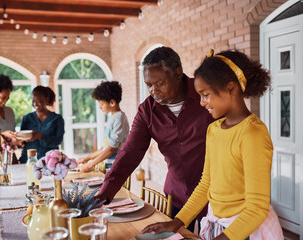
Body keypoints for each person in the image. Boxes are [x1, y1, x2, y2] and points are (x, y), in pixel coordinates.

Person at [142, 50, 284, 240]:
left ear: (231, 88)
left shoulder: (252, 134)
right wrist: (176, 222)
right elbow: (206, 184)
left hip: (245, 232)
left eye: (206, 95)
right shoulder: (214, 129)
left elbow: (257, 209)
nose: (201, 103)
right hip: (219, 226)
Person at [96, 46, 214, 232]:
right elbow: (130, 153)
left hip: (215, 196)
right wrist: (104, 194)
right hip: (176, 196)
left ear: (177, 73)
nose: (153, 90)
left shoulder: (206, 96)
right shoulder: (147, 111)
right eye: (148, 84)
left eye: (159, 83)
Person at [76, 81, 130, 173]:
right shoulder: (113, 117)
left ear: (112, 102)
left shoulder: (119, 118)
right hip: (109, 166)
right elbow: (106, 147)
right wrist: (87, 158)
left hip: (117, 167)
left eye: (101, 104)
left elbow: (111, 149)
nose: (100, 107)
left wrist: (90, 165)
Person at [19, 86, 64, 163]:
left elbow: (58, 141)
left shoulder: (57, 119)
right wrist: (19, 141)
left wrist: (41, 137)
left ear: (46, 99)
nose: (35, 104)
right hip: (28, 161)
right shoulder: (26, 118)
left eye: (38, 101)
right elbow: (21, 141)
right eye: (33, 101)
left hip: (49, 161)